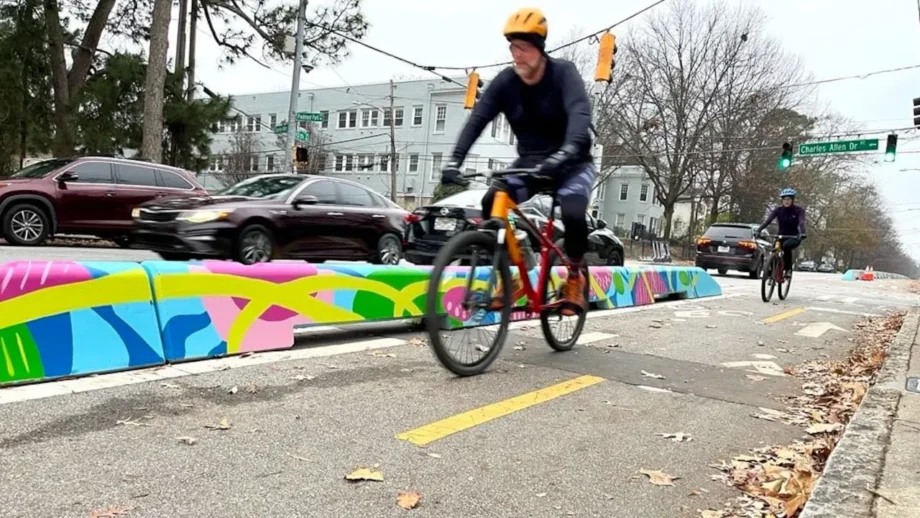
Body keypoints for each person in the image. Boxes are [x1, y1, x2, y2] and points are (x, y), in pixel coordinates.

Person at [439, 7, 596, 315]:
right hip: (531, 164)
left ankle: (575, 277)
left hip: (573, 163)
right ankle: (514, 271)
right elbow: (478, 120)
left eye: (523, 48)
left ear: (540, 49)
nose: (517, 55)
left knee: (574, 212)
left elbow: (580, 119)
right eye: (513, 48)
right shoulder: (506, 82)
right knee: (492, 201)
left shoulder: (564, 73)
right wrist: (454, 161)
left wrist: (563, 155)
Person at [756, 188, 807, 278]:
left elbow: (801, 222)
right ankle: (771, 270)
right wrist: (759, 230)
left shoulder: (798, 210)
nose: (786, 201)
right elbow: (767, 221)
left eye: (788, 199)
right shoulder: (778, 210)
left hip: (794, 236)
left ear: (792, 200)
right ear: (782, 200)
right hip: (781, 236)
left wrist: (803, 233)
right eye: (784, 199)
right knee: (774, 250)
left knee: (786, 246)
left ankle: (788, 269)